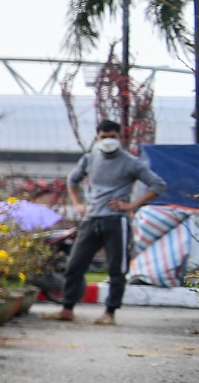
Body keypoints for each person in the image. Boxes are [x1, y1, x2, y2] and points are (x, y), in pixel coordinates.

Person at [57, 120, 166, 324]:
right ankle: (67, 309)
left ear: (120, 138)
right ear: (97, 137)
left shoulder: (131, 163)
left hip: (116, 221)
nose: (108, 141)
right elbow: (72, 180)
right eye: (104, 137)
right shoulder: (89, 159)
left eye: (112, 137)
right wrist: (78, 204)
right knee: (75, 264)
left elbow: (158, 184)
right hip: (91, 219)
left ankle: (110, 313)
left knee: (117, 268)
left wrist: (131, 205)